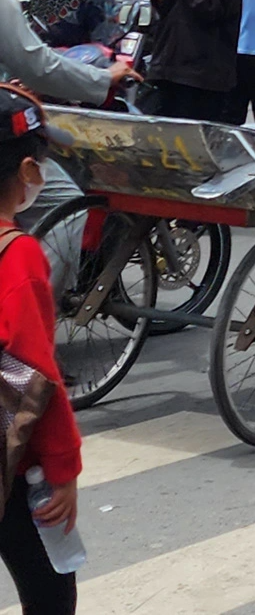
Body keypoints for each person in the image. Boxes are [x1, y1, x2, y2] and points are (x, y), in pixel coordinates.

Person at [0, 90, 84, 615]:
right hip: (11, 468)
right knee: (50, 594)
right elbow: (34, 374)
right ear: (30, 169)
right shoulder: (18, 256)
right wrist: (63, 469)